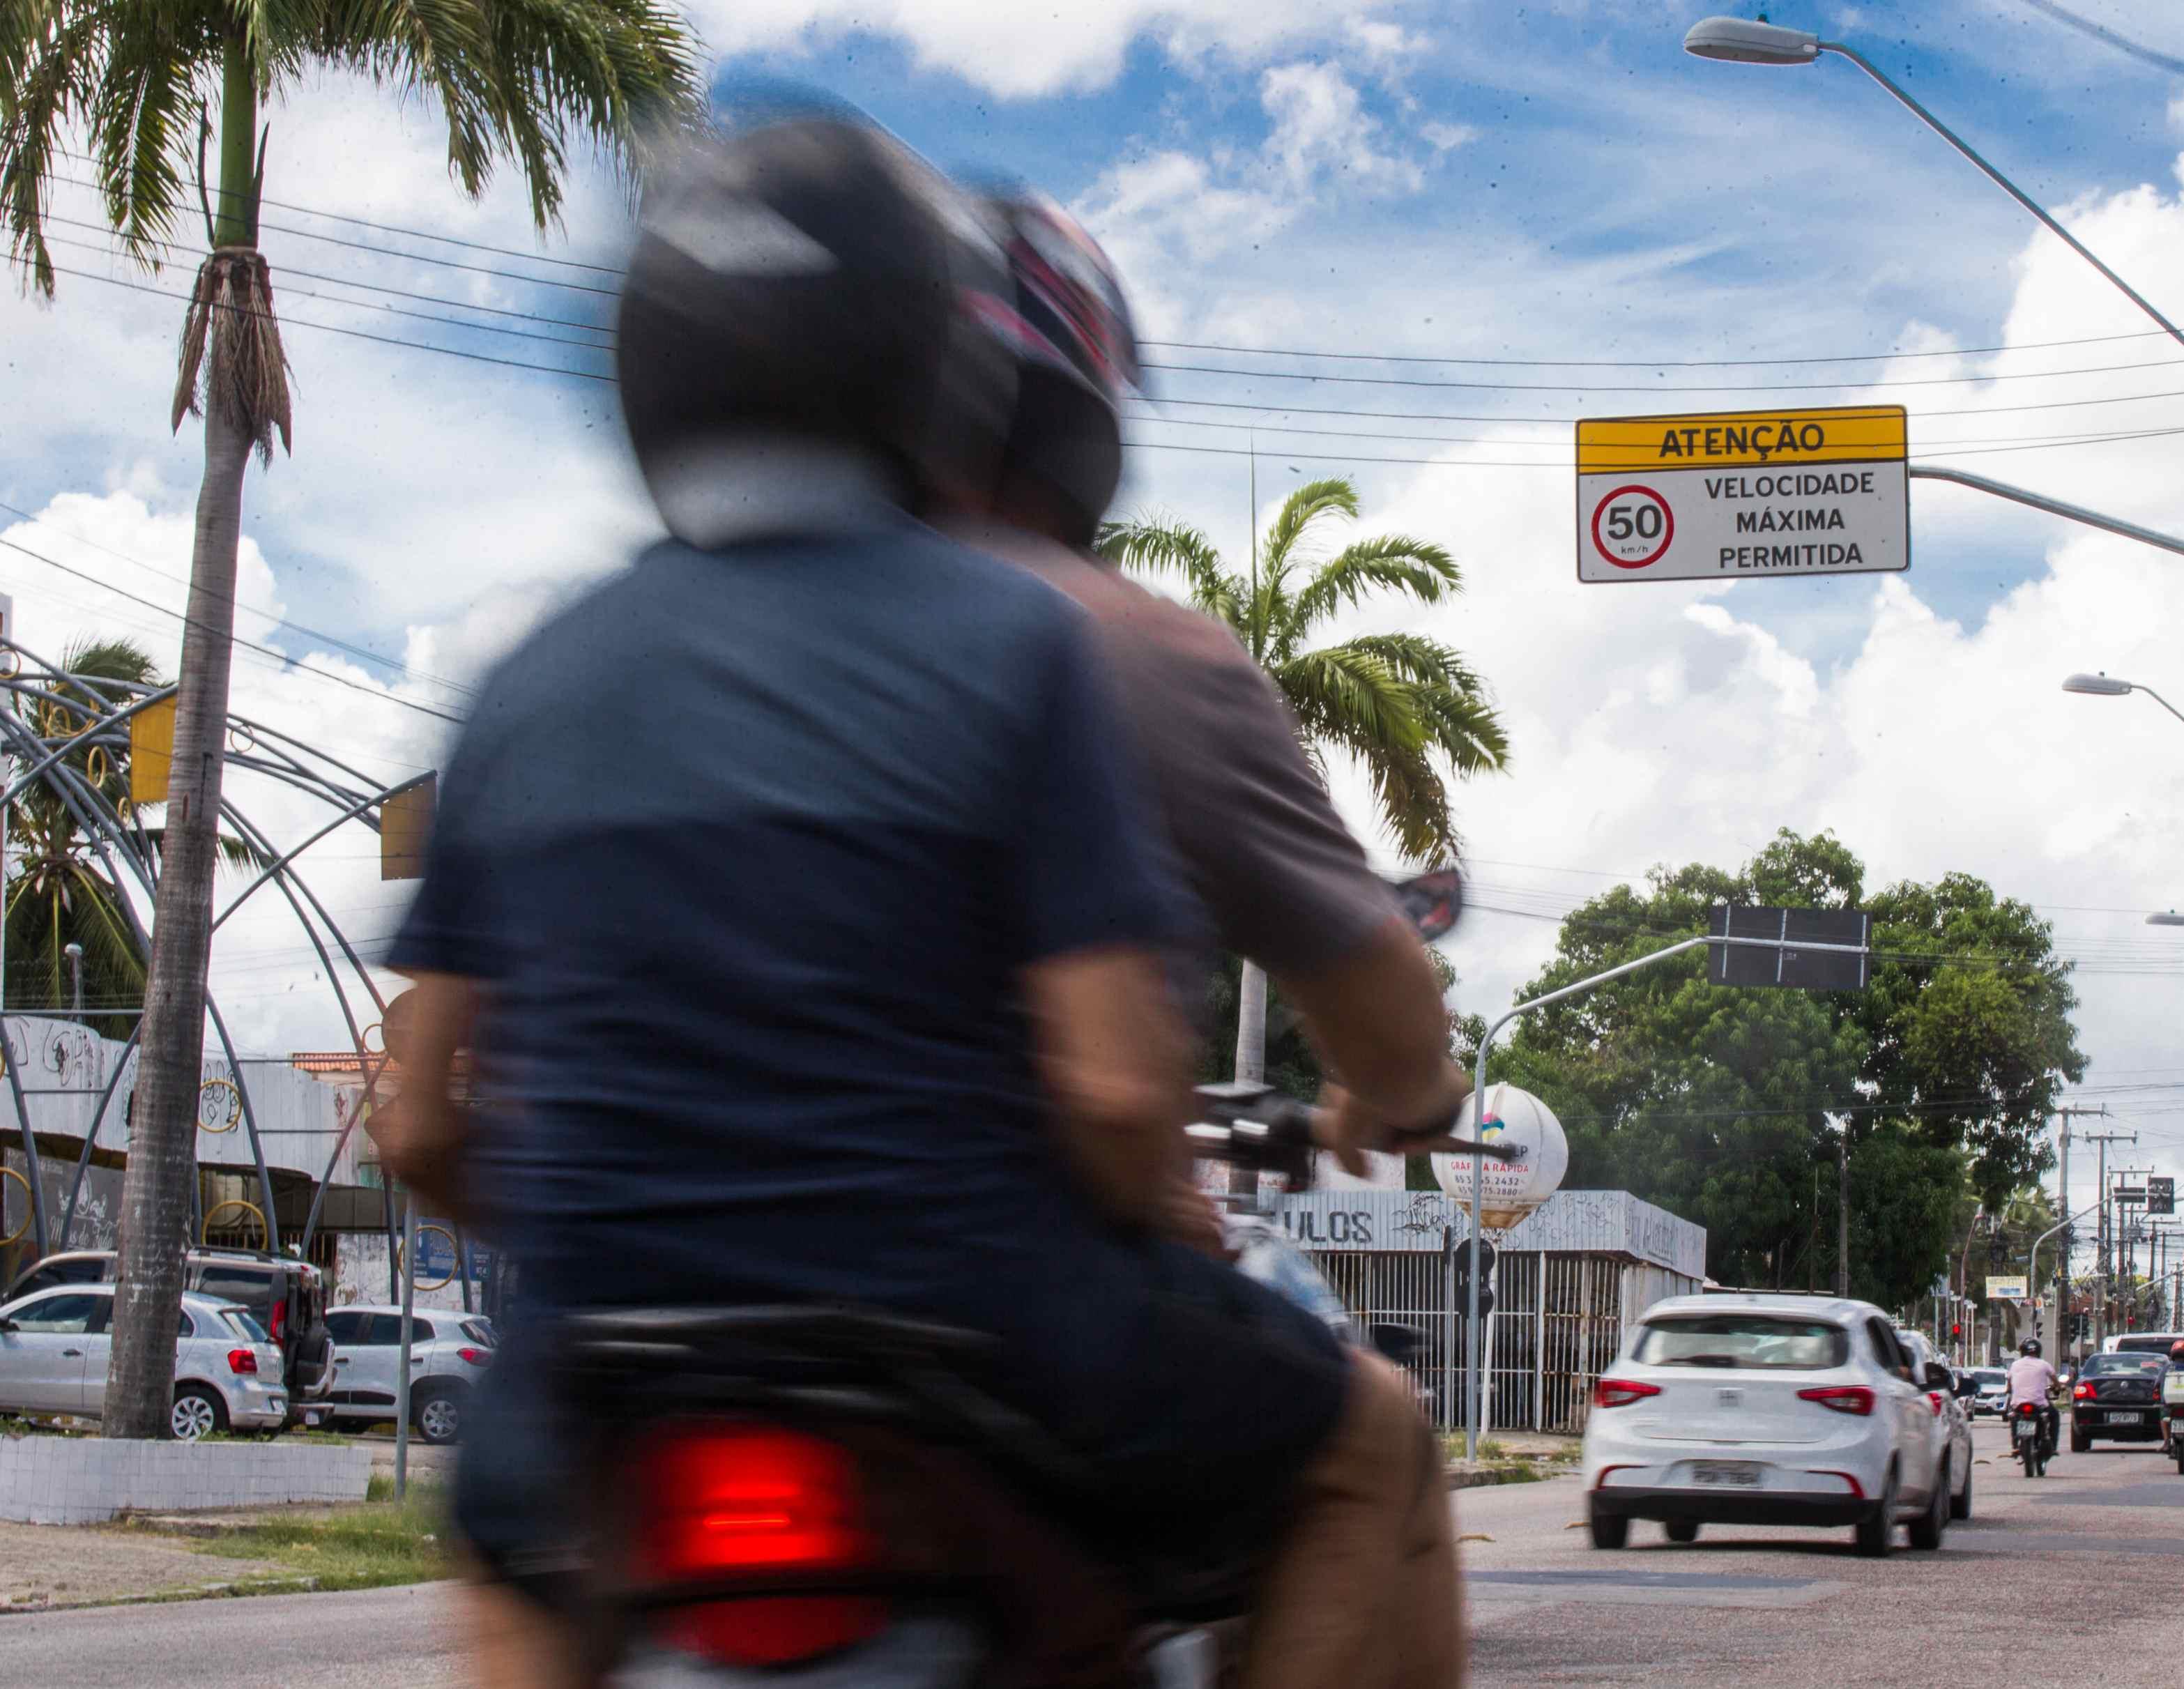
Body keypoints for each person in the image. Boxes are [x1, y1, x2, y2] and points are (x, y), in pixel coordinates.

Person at [366, 119, 1448, 1689]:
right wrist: (1140, 1200)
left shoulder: (529, 680)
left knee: (511, 1559)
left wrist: (631, 1209)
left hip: (613, 1343)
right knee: (1367, 1450)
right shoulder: (1017, 643)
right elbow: (1117, 1085)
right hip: (979, 1325)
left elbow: (414, 1122)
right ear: (921, 370)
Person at [963, 187, 1476, 1680]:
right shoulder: (1136, 645)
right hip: (1005, 1294)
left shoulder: (673, 637)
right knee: (1374, 1432)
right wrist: (1399, 1092)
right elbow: (1362, 1040)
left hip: (664, 1290)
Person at [2006, 1338, 2060, 1455]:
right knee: (2055, 1416)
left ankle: (2015, 1445)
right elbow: (2055, 1381)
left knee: (2014, 1417)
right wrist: (2058, 1388)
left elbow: (2009, 1384)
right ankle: (2054, 1446)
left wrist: (2009, 1390)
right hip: (2038, 1404)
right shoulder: (2044, 1364)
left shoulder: (2015, 1365)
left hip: (2018, 1404)